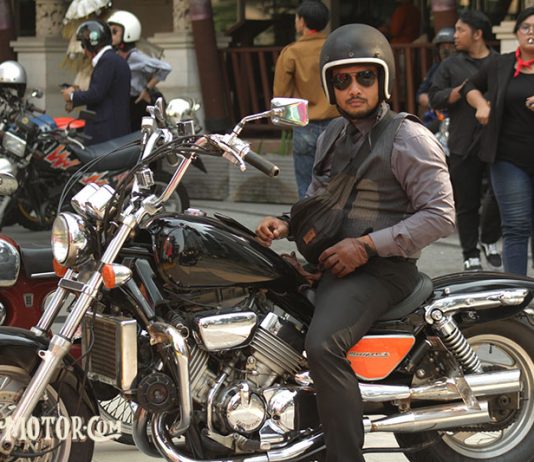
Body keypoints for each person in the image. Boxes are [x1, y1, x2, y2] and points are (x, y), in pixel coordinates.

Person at [256, 24, 455, 461]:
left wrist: (365, 246)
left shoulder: (408, 137)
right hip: (336, 264)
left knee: (322, 346)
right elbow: (320, 199)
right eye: (342, 80)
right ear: (330, 87)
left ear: (383, 80)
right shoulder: (332, 134)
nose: (354, 89)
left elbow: (440, 215)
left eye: (365, 77)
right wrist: (287, 224)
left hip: (384, 270)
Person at [429, 10, 502, 271]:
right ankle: (470, 254)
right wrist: (460, 92)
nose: (455, 35)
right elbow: (434, 97)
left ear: (478, 34)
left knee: (499, 195)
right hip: (462, 142)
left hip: (497, 141)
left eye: (461, 30)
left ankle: (489, 238)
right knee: (467, 202)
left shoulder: (501, 62)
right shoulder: (450, 65)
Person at [464, 7, 534, 275]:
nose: (531, 33)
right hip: (508, 158)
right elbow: (469, 86)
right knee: (516, 226)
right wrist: (482, 105)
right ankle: (518, 293)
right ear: (517, 33)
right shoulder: (500, 64)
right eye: (526, 27)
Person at [273, 0, 338, 199]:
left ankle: (308, 219)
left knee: (306, 188)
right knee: (338, 186)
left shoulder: (291, 52)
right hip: (337, 124)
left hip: (305, 124)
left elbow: (281, 95)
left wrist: (283, 123)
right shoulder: (336, 48)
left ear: (301, 22)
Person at [62, 19, 131, 145]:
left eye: (84, 46)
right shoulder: (113, 59)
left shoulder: (107, 60)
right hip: (113, 130)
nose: (83, 51)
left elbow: (96, 94)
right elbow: (105, 92)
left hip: (107, 132)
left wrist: (71, 96)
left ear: (92, 44)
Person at [107, 10, 172, 131]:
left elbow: (165, 67)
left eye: (114, 32)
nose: (111, 36)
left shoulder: (135, 56)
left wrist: (147, 88)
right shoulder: (115, 55)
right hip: (124, 104)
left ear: (128, 33)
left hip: (138, 104)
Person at [416, 26, 456, 131]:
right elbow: (420, 95)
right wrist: (433, 102)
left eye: (450, 46)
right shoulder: (435, 68)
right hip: (436, 116)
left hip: (456, 116)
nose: (446, 50)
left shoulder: (462, 68)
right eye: (443, 47)